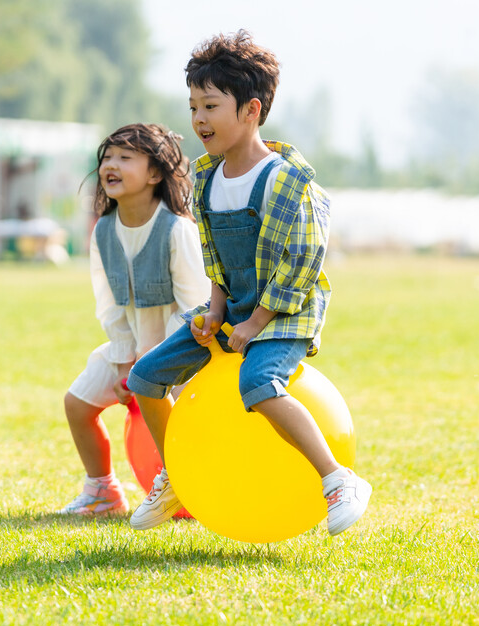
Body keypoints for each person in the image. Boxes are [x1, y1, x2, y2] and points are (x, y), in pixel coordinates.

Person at [125, 30, 373, 536]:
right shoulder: (206, 178)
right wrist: (216, 311)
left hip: (284, 315)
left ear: (251, 110)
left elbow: (303, 261)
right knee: (146, 377)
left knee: (259, 385)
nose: (198, 120)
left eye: (211, 106)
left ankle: (338, 479)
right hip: (234, 312)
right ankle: (176, 473)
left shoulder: (285, 181)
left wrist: (258, 321)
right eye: (193, 106)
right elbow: (216, 258)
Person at [60, 123, 209, 516]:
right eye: (107, 157)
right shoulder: (104, 231)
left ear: (155, 174)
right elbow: (108, 304)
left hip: (184, 356)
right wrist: (127, 362)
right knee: (77, 404)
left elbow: (195, 306)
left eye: (125, 157)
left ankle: (195, 490)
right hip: (130, 351)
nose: (111, 164)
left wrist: (154, 366)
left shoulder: (178, 231)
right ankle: (102, 491)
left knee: (186, 427)